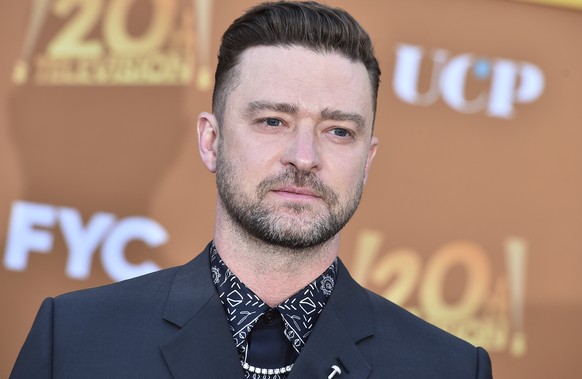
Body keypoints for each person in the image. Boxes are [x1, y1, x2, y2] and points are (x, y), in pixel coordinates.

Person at [11, 2, 492, 378]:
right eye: (272, 120)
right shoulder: (74, 340)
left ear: (367, 161)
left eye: (339, 130)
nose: (304, 157)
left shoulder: (447, 368)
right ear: (211, 140)